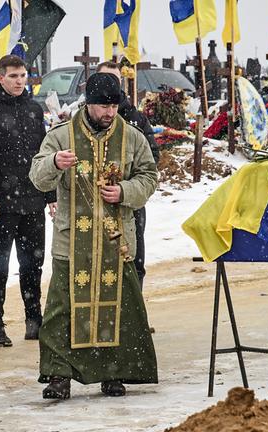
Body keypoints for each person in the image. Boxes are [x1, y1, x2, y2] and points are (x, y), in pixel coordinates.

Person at [29, 73, 158, 399]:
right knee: (62, 311)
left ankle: (113, 372)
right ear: (88, 104)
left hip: (117, 239)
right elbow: (37, 177)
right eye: (103, 106)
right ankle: (58, 374)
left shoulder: (132, 137)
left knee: (119, 310)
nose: (109, 113)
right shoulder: (61, 136)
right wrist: (56, 163)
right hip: (72, 241)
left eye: (114, 106)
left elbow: (149, 176)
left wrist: (125, 191)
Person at [0, 55, 56, 346]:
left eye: (23, 75)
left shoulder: (34, 109)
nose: (20, 80)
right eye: (14, 76)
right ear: (0, 78)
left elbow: (43, 156)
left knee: (32, 264)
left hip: (32, 199)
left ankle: (34, 319)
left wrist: (50, 196)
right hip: (0, 204)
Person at [96, 61, 160, 289]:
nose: (110, 84)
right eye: (104, 78)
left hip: (129, 205)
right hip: (92, 205)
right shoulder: (83, 119)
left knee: (133, 259)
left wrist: (125, 188)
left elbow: (151, 162)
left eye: (114, 79)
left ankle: (133, 317)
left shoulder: (136, 119)